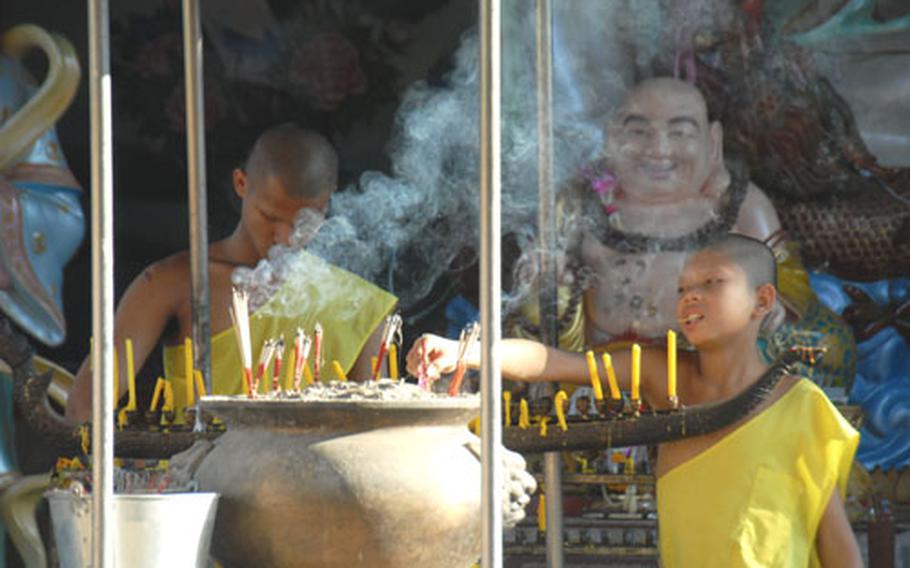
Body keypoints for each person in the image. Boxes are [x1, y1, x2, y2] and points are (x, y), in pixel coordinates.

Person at [410, 234, 861, 567]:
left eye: (712, 282)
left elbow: (835, 540)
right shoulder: (660, 373)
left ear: (762, 300)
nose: (691, 298)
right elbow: (553, 362)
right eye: (683, 289)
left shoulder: (802, 405)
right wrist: (463, 354)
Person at [510, 77, 854, 387]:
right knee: (523, 331)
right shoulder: (579, 202)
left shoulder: (739, 202)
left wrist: (775, 300)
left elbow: (786, 275)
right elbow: (541, 276)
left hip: (702, 373)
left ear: (713, 142)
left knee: (829, 345)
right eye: (638, 132)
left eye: (680, 132)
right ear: (611, 137)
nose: (659, 149)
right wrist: (547, 283)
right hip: (600, 371)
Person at [66, 123, 398, 423]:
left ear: (326, 205)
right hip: (199, 485)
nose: (284, 237)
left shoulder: (356, 304)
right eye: (269, 216)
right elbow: (84, 406)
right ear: (241, 184)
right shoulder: (178, 282)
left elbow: (374, 432)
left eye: (303, 222)